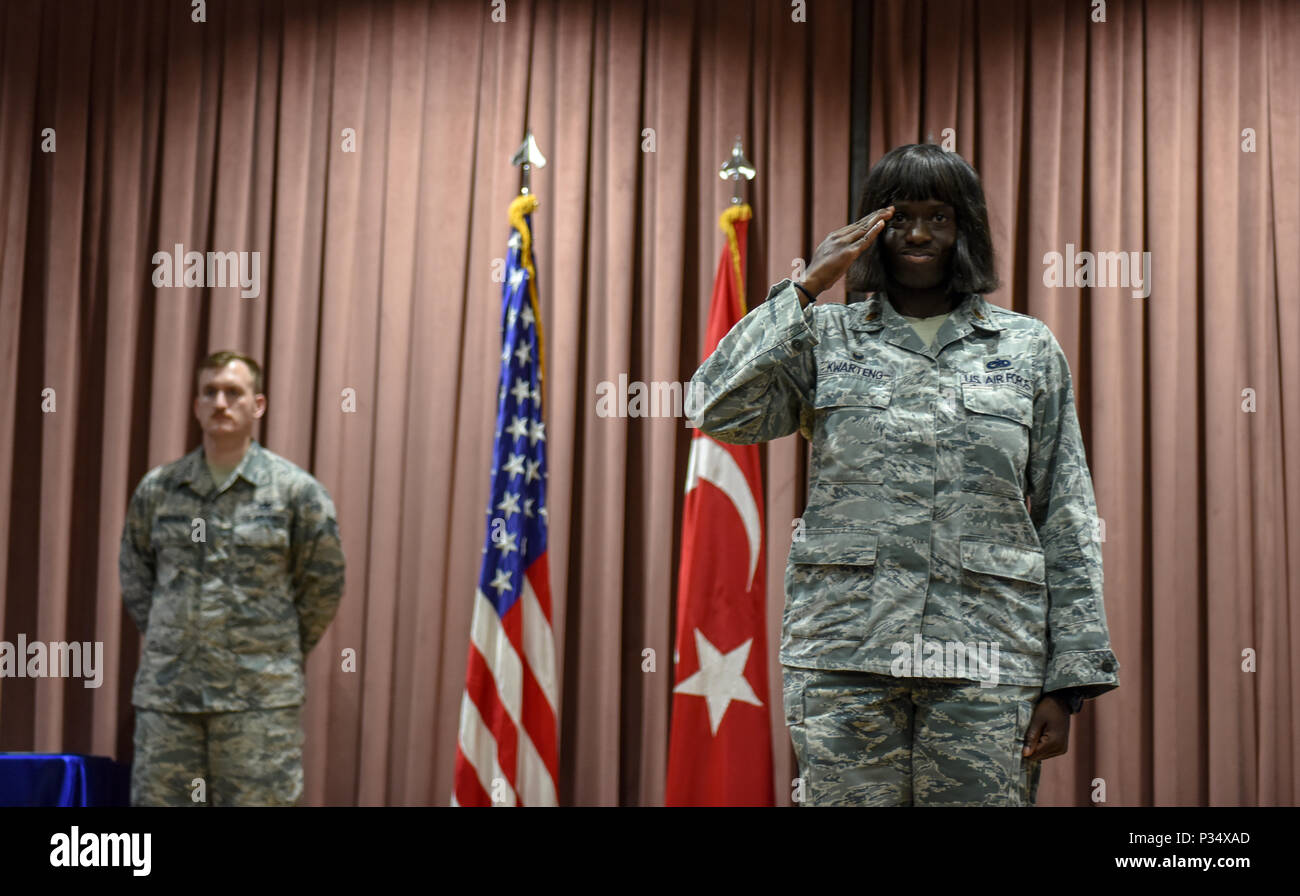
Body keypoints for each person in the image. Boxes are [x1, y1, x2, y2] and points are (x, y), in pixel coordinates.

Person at [686, 144, 1119, 806]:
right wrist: (804, 290)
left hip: (988, 662)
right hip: (845, 660)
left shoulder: (1026, 349)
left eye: (938, 217)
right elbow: (714, 407)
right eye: (902, 216)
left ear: (963, 228)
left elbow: (1066, 511)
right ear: (872, 229)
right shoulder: (824, 337)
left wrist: (1069, 680)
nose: (919, 233)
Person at [119, 351, 345, 806]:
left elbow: (323, 582)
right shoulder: (160, 489)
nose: (220, 402)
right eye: (210, 392)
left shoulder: (294, 492)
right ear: (197, 405)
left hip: (259, 704)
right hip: (170, 702)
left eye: (233, 392)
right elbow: (135, 572)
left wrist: (275, 648)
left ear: (257, 405)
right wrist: (175, 635)